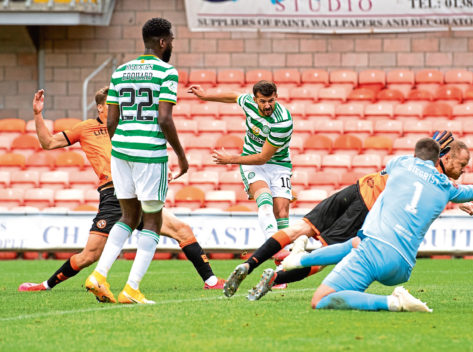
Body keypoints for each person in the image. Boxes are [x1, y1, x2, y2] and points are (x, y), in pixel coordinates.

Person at [18, 87, 223, 295]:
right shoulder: (86, 128)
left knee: (182, 230)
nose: (118, 109)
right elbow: (49, 142)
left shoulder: (127, 128)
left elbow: (143, 153)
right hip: (113, 195)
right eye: (111, 105)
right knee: (89, 256)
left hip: (138, 192)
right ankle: (45, 285)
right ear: (99, 108)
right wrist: (37, 114)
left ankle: (212, 280)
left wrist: (160, 169)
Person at [301, 138, 473, 312]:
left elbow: (414, 167)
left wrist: (431, 146)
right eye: (462, 164)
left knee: (321, 299)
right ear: (443, 158)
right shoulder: (448, 188)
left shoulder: (400, 163)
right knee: (354, 243)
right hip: (402, 267)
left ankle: (393, 302)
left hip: (374, 250)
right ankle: (297, 260)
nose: (464, 170)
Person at [217, 132, 458, 299]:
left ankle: (249, 264)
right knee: (321, 259)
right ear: (445, 156)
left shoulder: (410, 161)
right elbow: (444, 191)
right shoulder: (435, 179)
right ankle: (275, 278)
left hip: (358, 187)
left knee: (298, 229)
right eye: (458, 162)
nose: (460, 168)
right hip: (367, 207)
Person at [84, 17, 188, 304]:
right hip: (149, 154)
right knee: (151, 221)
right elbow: (164, 118)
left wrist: (121, 145)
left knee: (128, 217)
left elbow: (112, 120)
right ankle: (131, 289)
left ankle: (99, 275)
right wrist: (181, 155)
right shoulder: (167, 71)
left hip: (121, 152)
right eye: (172, 40)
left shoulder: (120, 72)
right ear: (164, 41)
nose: (172, 45)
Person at [187, 81, 294, 295]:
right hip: (252, 163)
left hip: (277, 164)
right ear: (255, 99)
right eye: (263, 101)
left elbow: (264, 157)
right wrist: (206, 96)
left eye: (271, 101)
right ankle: (279, 250)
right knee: (264, 201)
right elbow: (233, 96)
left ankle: (281, 274)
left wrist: (230, 159)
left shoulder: (282, 122)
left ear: (277, 97)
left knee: (281, 212)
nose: (267, 106)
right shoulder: (248, 102)